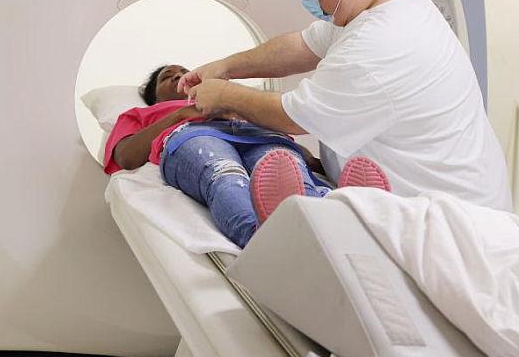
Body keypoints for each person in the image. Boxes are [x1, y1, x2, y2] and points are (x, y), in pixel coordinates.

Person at [179, 0, 512, 210]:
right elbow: (301, 45)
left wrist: (224, 95)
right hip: (443, 197)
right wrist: (224, 66)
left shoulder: (378, 47)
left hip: (447, 220)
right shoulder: (392, 1)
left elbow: (292, 117)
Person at [103, 64, 389, 248]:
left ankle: (343, 214)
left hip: (258, 133)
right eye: (168, 77)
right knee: (225, 173)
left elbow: (278, 129)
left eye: (183, 72)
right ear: (154, 97)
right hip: (192, 135)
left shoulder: (227, 96)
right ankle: (262, 241)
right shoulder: (142, 114)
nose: (179, 76)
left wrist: (313, 160)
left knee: (288, 168)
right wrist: (182, 113)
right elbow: (126, 157)